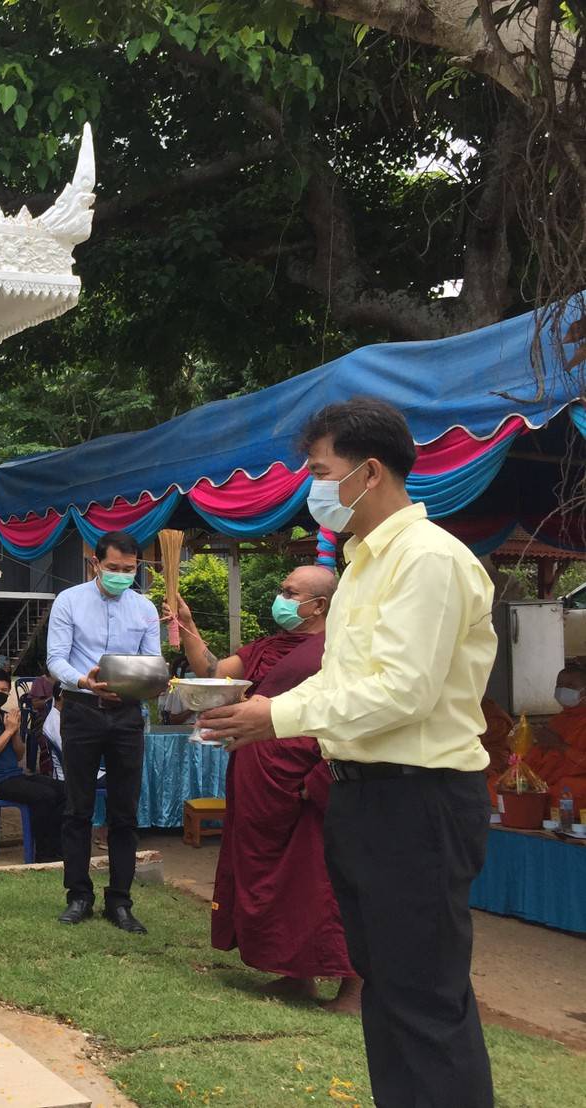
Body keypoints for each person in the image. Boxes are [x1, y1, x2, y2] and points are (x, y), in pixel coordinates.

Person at [200, 397, 497, 1108]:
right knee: (388, 994)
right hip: (365, 792)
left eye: (319, 470)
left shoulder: (426, 561)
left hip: (419, 797)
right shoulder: (363, 562)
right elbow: (345, 678)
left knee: (423, 999)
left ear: (368, 473)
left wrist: (281, 714)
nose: (313, 487)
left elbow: (402, 692)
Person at [167, 568, 359, 1011]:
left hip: (306, 777)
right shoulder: (269, 647)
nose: (280, 598)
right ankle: (296, 976)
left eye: (290, 592)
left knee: (320, 879)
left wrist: (321, 776)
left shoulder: (343, 647)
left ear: (319, 606)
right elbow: (214, 673)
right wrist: (188, 626)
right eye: (281, 588)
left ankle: (354, 986)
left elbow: (348, 711)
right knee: (278, 881)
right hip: (259, 778)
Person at [46, 530, 161, 932]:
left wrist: (142, 686)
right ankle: (78, 895)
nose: (121, 575)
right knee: (77, 808)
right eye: (113, 568)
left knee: (124, 812)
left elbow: (152, 662)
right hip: (81, 710)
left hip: (127, 714)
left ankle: (120, 901)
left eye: (129, 570)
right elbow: (56, 659)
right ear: (96, 563)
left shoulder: (145, 609)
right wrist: (83, 681)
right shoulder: (69, 601)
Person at [0, 668, 64, 860]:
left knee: (63, 790)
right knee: (45, 796)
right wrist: (8, 732)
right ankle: (43, 854)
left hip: (14, 775)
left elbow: (18, 755)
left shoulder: (4, 717)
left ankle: (60, 848)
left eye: (3, 690)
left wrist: (15, 731)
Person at [523, 665, 586, 803]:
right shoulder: (558, 721)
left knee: (568, 788)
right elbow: (542, 757)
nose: (563, 690)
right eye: (559, 685)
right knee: (499, 783)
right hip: (548, 779)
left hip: (572, 782)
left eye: (570, 685)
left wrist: (560, 745)